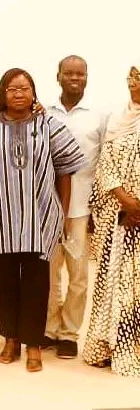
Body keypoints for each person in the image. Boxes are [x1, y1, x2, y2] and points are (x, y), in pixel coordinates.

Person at [0, 68, 85, 373]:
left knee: (37, 284)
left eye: (24, 88)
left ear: (33, 92)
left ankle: (33, 345)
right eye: (12, 89)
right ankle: (11, 339)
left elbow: (66, 169)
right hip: (0, 217)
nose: (18, 94)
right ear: (2, 93)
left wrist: (63, 213)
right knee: (3, 283)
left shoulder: (48, 125)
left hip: (38, 217)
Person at [44, 56, 107, 359]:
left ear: (86, 78)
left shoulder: (98, 116)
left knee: (78, 276)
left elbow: (104, 163)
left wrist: (97, 207)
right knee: (49, 273)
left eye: (80, 74)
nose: (74, 78)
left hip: (82, 208)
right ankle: (49, 330)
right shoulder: (43, 113)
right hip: (48, 207)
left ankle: (69, 334)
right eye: (68, 73)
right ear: (58, 77)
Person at [83, 63, 140, 376]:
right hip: (117, 217)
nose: (135, 85)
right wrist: (126, 202)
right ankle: (106, 346)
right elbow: (105, 165)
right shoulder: (118, 120)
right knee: (110, 281)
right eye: (132, 80)